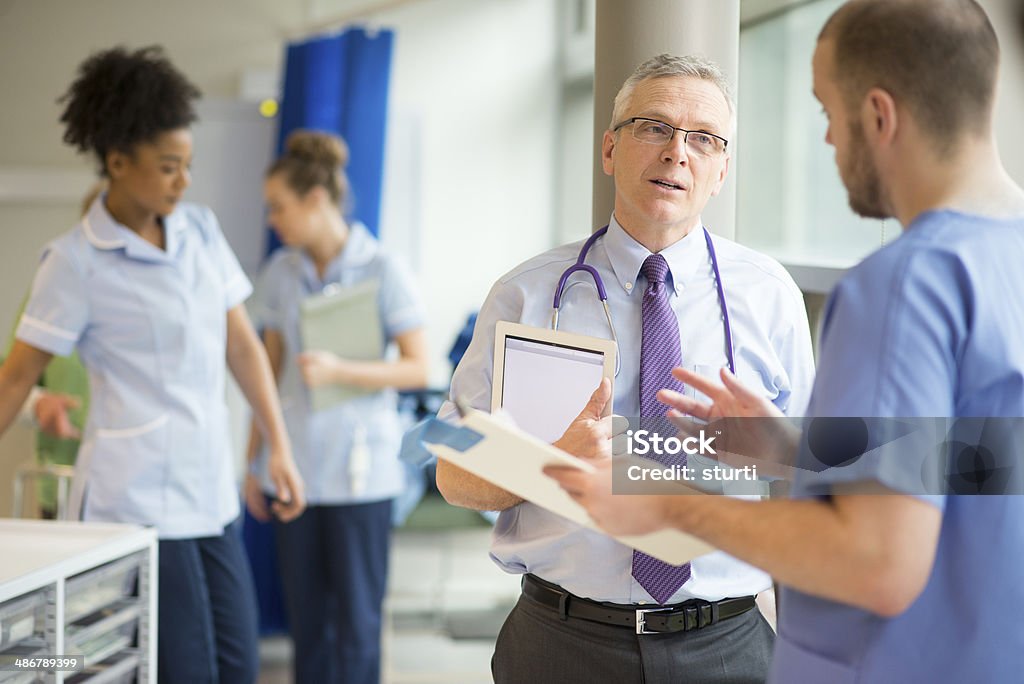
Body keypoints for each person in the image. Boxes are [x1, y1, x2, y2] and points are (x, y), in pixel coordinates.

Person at [546, 1, 1024, 682]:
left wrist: (663, 504)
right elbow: (982, 463)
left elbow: (877, 561)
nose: (828, 140)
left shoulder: (904, 283)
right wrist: (796, 449)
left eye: (829, 113)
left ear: (880, 116)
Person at [436, 54, 815, 683]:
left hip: (727, 644)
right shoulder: (527, 296)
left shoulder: (769, 296)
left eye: (704, 139)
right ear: (610, 149)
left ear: (721, 171)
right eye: (654, 128)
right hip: (562, 643)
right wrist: (551, 463)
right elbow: (454, 472)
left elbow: (807, 486)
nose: (677, 153)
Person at [0, 46, 306, 683]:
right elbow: (17, 375)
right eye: (169, 167)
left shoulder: (200, 231)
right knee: (183, 671)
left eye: (187, 166)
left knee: (238, 665)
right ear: (117, 162)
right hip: (131, 497)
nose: (183, 181)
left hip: (208, 492)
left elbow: (243, 346)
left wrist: (277, 445)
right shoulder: (76, 261)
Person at [245, 129, 428, 684]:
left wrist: (341, 370)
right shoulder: (281, 274)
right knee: (309, 626)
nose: (273, 219)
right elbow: (265, 377)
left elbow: (419, 368)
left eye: (279, 206)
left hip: (360, 476)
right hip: (295, 469)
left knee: (356, 625)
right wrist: (253, 463)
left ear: (315, 200)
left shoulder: (382, 268)